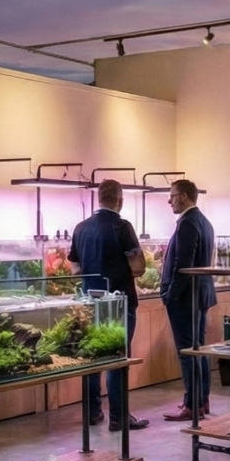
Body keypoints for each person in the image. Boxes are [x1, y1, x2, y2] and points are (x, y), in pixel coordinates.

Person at [67, 179, 150, 432]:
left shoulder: (81, 227)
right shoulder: (122, 227)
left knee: (92, 357)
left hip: (90, 302)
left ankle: (92, 412)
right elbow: (138, 267)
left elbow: (74, 267)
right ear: (120, 200)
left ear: (98, 199)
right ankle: (118, 416)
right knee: (117, 357)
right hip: (119, 302)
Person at [159, 179, 216, 421]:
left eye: (172, 195)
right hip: (200, 295)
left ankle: (192, 405)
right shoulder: (205, 222)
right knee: (198, 350)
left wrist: (170, 295)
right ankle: (201, 401)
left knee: (188, 352)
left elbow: (183, 266)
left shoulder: (187, 224)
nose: (169, 200)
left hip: (185, 299)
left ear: (183, 196)